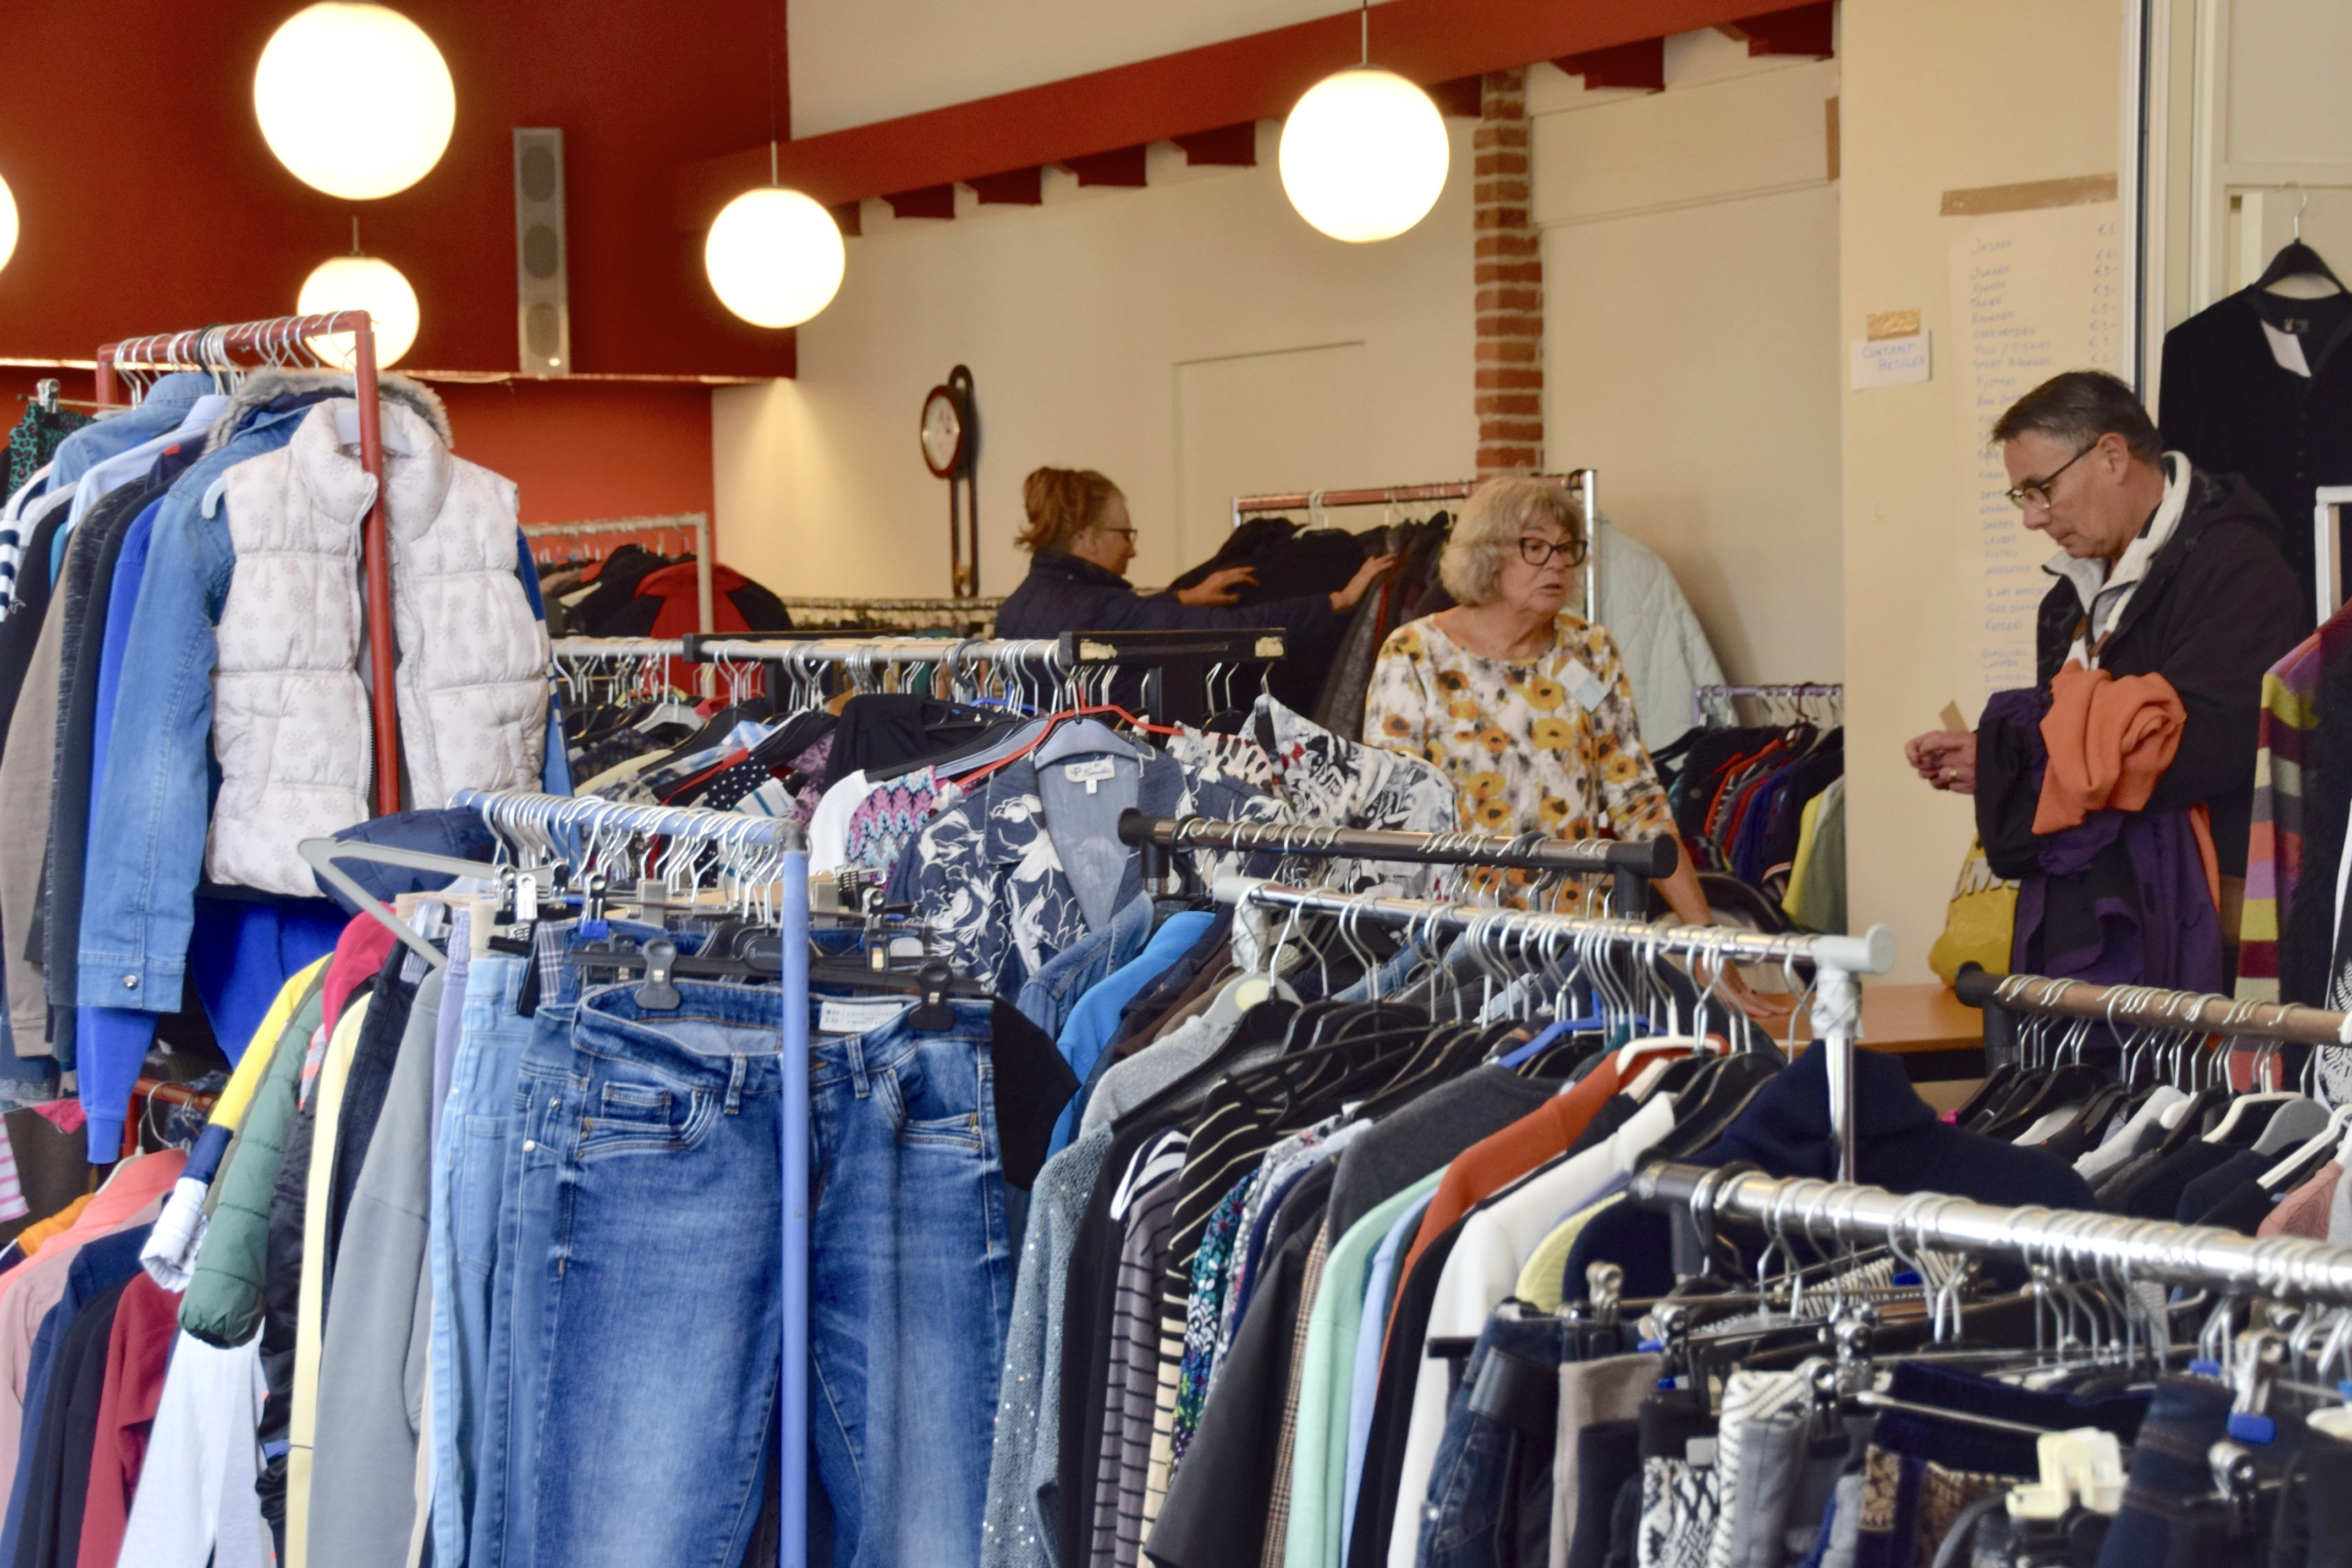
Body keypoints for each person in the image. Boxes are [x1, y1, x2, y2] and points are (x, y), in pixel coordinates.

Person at [1904, 370, 2305, 979]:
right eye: (2021, 498)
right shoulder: (2065, 599)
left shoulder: (2239, 569)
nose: (2032, 519)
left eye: (2040, 490)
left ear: (2112, 456)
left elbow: (2209, 746)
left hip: (2205, 929)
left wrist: (2024, 766)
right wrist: (1996, 757)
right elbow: (2075, 733)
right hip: (2093, 920)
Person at [1363, 477, 1785, 1019]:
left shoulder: (1589, 650)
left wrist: (1703, 941)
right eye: (1536, 547)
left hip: (1573, 945)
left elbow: (1638, 800)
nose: (1558, 563)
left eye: (1567, 548)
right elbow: (1391, 815)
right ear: (1485, 554)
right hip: (1451, 943)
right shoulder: (1416, 653)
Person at [994, 466, 1392, 639]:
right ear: (1088, 539)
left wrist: (1184, 598)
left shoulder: (1016, 608)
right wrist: (1336, 601)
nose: (1133, 550)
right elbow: (1236, 629)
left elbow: (1124, 616)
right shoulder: (1105, 611)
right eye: (1126, 535)